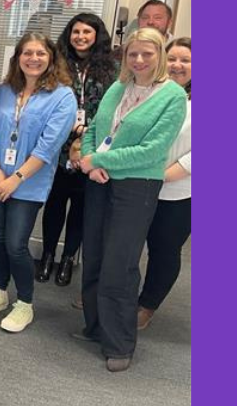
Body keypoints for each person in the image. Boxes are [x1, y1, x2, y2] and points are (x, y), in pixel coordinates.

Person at [73, 27, 187, 372]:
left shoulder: (172, 96)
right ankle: (95, 326)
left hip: (137, 185)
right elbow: (95, 130)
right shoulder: (119, 86)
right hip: (99, 182)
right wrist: (90, 164)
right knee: (93, 255)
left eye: (147, 54)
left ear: (160, 56)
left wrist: (99, 161)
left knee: (119, 266)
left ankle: (119, 343)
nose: (139, 60)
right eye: (133, 54)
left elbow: (152, 150)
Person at [0, 34, 77, 333]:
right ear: (18, 57)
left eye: (40, 53)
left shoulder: (63, 96)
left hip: (28, 183)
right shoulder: (6, 90)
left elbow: (48, 147)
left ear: (51, 57)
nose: (33, 58)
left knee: (17, 244)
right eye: (27, 53)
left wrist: (15, 179)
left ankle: (25, 304)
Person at [38, 13, 116, 286]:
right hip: (58, 146)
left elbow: (114, 108)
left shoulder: (111, 69)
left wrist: (89, 130)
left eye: (87, 32)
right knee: (55, 204)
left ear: (97, 37)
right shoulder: (57, 64)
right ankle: (48, 255)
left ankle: (69, 258)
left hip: (92, 146)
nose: (80, 37)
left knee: (81, 208)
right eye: (76, 32)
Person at [138, 37, 191, 331]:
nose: (177, 65)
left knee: (163, 250)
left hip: (178, 193)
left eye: (185, 60)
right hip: (138, 186)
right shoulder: (150, 92)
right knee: (127, 244)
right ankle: (113, 295)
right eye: (172, 59)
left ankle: (148, 304)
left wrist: (162, 175)